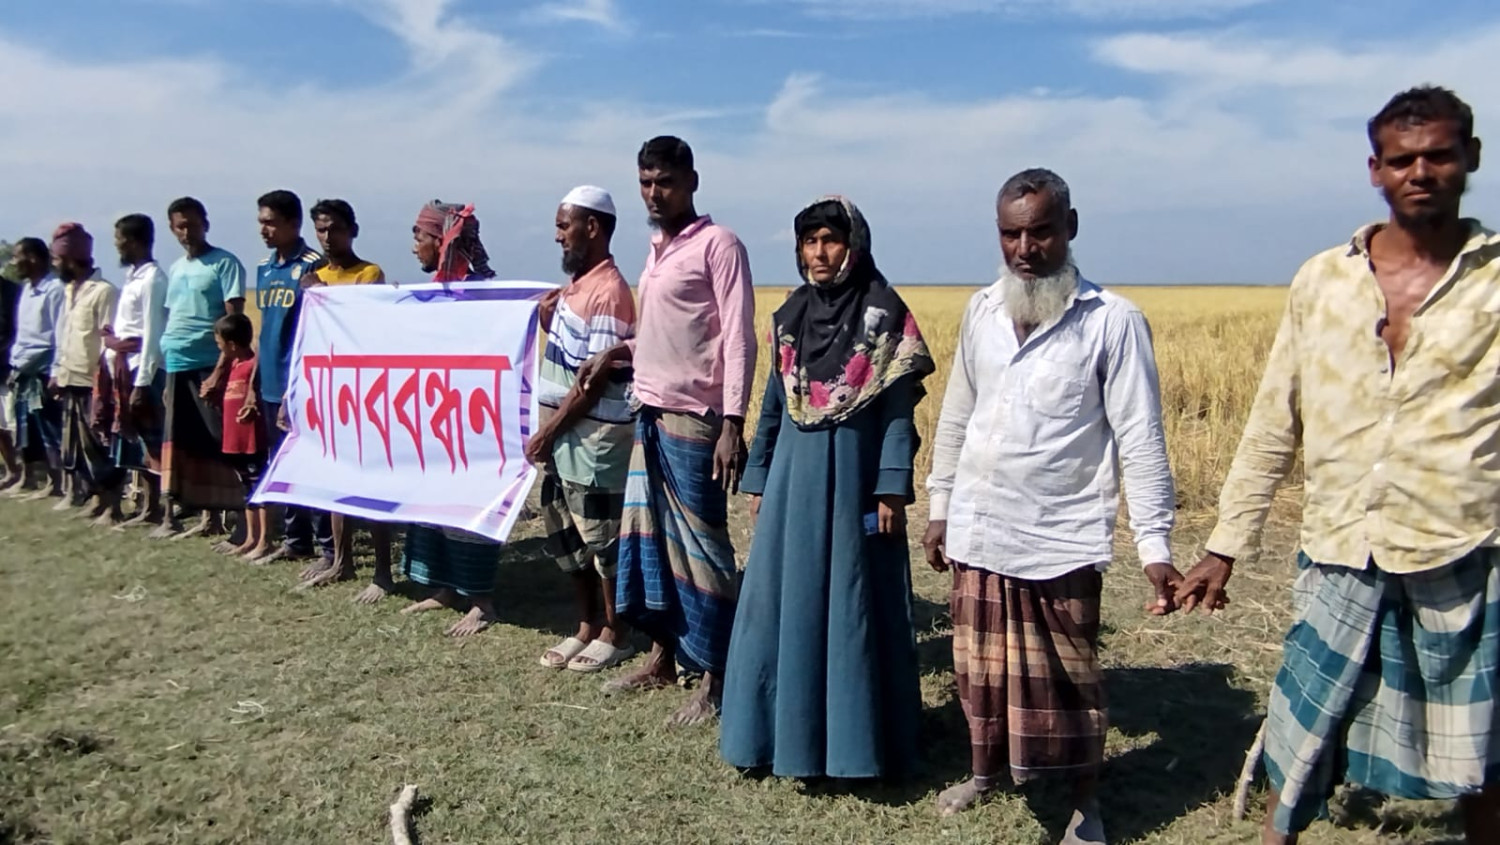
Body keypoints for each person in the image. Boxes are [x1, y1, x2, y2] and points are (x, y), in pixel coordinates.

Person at [1177, 87, 1500, 845]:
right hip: (1339, 547)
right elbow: (1271, 421)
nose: (1421, 172)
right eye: (1402, 159)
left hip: (1463, 550)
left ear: (1471, 160)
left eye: (1439, 155)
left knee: (1482, 755)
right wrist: (1226, 544)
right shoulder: (1322, 280)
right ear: (1375, 171)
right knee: (1300, 731)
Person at [922, 168, 1181, 843]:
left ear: (1070, 227)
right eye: (1011, 233)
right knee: (979, 670)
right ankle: (983, 772)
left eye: (1040, 230)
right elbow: (957, 415)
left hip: (1058, 535)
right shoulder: (981, 310)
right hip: (979, 524)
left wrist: (1156, 546)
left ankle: (1082, 804)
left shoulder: (1111, 321)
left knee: (1068, 681)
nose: (1025, 248)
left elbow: (1140, 435)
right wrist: (940, 502)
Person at [719, 196, 934, 779]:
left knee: (854, 603)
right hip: (793, 485)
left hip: (857, 483)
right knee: (780, 604)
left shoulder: (885, 314)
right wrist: (760, 474)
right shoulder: (790, 316)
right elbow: (773, 403)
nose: (819, 252)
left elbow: (897, 413)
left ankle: (856, 747)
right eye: (809, 241)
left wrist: (891, 486)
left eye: (830, 240)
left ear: (854, 245)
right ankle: (772, 739)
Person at [578, 136, 757, 727]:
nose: (654, 194)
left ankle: (718, 675)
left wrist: (732, 421)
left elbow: (736, 336)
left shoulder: (719, 245)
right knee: (650, 541)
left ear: (692, 182)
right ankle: (661, 654)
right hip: (648, 415)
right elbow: (661, 334)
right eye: (646, 183)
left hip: (695, 419)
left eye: (666, 183)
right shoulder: (657, 250)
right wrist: (614, 355)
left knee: (703, 547)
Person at [525, 186, 638, 673]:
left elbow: (593, 383)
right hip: (565, 436)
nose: (557, 237)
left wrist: (548, 431)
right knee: (567, 536)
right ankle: (587, 625)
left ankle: (615, 631)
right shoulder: (577, 287)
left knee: (602, 540)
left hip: (591, 438)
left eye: (562, 225)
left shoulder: (609, 293)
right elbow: (576, 361)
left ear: (591, 227)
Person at [398, 199, 503, 637]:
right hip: (431, 413)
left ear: (441, 240)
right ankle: (442, 586)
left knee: (467, 504)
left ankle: (481, 600)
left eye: (419, 237)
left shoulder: (479, 292)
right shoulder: (433, 293)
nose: (413, 247)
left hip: (469, 420)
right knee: (432, 501)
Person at [294, 198, 393, 602]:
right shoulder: (312, 275)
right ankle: (341, 559)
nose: (327, 237)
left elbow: (364, 323)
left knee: (370, 480)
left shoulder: (368, 274)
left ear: (352, 230)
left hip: (364, 388)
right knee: (335, 478)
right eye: (320, 230)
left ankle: (384, 571)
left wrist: (322, 296)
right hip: (326, 388)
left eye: (334, 229)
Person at [247, 190, 334, 566]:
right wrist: (253, 383)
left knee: (309, 461)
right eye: (261, 222)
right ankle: (295, 539)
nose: (264, 230)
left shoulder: (313, 266)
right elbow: (265, 328)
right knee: (279, 462)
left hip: (299, 383)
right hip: (268, 381)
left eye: (271, 222)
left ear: (293, 224)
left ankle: (327, 543)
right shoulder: (265, 269)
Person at [154, 197, 248, 539]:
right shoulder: (177, 268)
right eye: (181, 226)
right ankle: (208, 518)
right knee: (185, 442)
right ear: (172, 229)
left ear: (205, 224)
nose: (187, 232)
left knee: (220, 440)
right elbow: (174, 315)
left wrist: (220, 370)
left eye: (193, 224)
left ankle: (240, 517)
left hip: (209, 363)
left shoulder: (223, 264)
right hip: (176, 364)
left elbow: (233, 319)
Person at [48, 223, 122, 520]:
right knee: (76, 447)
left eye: (57, 259)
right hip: (69, 377)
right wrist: (56, 371)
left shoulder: (103, 292)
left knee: (99, 445)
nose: (55, 265)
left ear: (71, 259)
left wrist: (106, 383)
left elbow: (107, 340)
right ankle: (95, 499)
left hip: (93, 379)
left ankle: (113, 504)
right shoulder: (68, 291)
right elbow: (61, 334)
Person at [100, 213, 169, 527]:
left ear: (137, 242)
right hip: (123, 367)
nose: (118, 247)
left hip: (144, 369)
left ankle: (160, 508)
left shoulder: (153, 278)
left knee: (153, 441)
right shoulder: (132, 277)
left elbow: (152, 332)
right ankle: (145, 505)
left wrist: (142, 382)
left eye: (122, 241)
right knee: (136, 442)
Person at [6, 237, 65, 500]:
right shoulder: (27, 289)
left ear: (33, 257)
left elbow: (56, 335)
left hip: (42, 369)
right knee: (27, 429)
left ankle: (59, 483)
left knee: (50, 429)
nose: (14, 261)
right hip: (22, 369)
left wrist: (54, 370)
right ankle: (35, 479)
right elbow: (23, 333)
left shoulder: (54, 289)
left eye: (17, 256)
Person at [212, 314, 268, 557]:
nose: (219, 348)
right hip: (234, 440)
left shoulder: (252, 366)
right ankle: (250, 537)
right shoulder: (233, 366)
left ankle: (264, 539)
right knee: (246, 488)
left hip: (251, 439)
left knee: (259, 487)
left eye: (219, 343)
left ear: (232, 345)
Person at [0, 266, 23, 490]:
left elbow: (17, 331)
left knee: (15, 425)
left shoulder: (12, 292)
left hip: (8, 365)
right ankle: (12, 471)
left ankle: (27, 474)